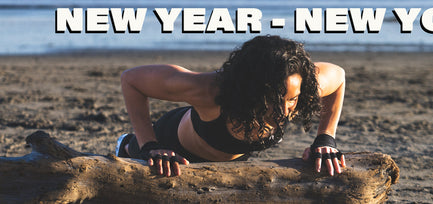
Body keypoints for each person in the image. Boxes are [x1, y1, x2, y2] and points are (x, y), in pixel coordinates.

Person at [115, 35, 346, 177]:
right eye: (274, 101)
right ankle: (126, 144)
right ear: (251, 91)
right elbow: (131, 80)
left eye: (291, 99)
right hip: (172, 146)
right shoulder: (210, 91)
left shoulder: (298, 87)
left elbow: (339, 77)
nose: (286, 111)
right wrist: (149, 145)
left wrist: (326, 139)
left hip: (227, 161)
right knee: (136, 155)